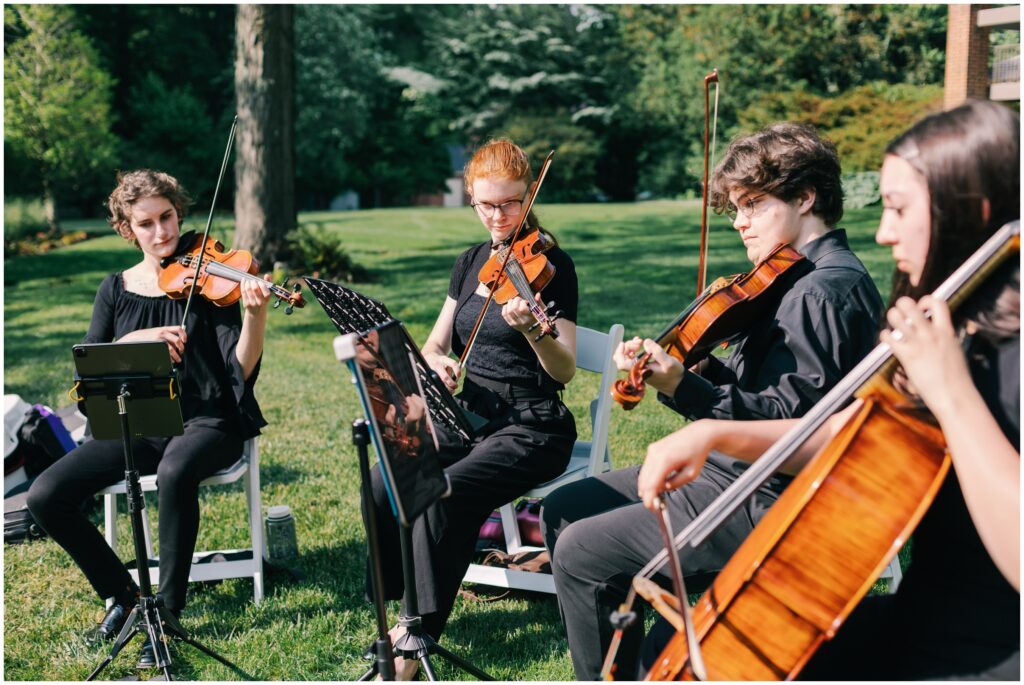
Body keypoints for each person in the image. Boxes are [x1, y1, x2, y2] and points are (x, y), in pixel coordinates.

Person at [637, 100, 1019, 680]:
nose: (884, 233)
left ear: (974, 209)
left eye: (896, 209)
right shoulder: (959, 320)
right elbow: (863, 436)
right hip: (925, 614)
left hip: (988, 651)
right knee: (680, 659)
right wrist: (717, 430)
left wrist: (952, 393)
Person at [541, 122, 884, 680]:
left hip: (768, 496)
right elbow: (765, 391)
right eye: (735, 209)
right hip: (735, 473)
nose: (741, 222)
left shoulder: (820, 291)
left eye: (754, 204)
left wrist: (684, 385)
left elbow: (790, 430)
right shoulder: (794, 280)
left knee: (581, 552)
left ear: (805, 197)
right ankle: (646, 654)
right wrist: (688, 370)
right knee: (563, 507)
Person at [27, 169, 272, 669]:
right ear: (127, 229)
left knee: (176, 470)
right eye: (147, 224)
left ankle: (169, 612)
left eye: (167, 218)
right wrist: (132, 342)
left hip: (208, 419)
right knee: (45, 496)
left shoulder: (211, 280)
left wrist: (255, 316)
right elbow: (91, 362)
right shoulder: (114, 289)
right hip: (136, 422)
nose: (161, 233)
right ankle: (124, 595)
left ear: (180, 213)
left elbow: (239, 370)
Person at [363, 138, 579, 679]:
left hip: (532, 426)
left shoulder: (553, 267)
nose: (498, 216)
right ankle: (389, 608)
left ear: (528, 196)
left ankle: (415, 640)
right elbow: (436, 344)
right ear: (472, 199)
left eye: (509, 204)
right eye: (486, 204)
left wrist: (534, 332)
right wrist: (437, 364)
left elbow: (565, 369)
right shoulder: (470, 263)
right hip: (469, 417)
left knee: (441, 496)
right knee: (386, 473)